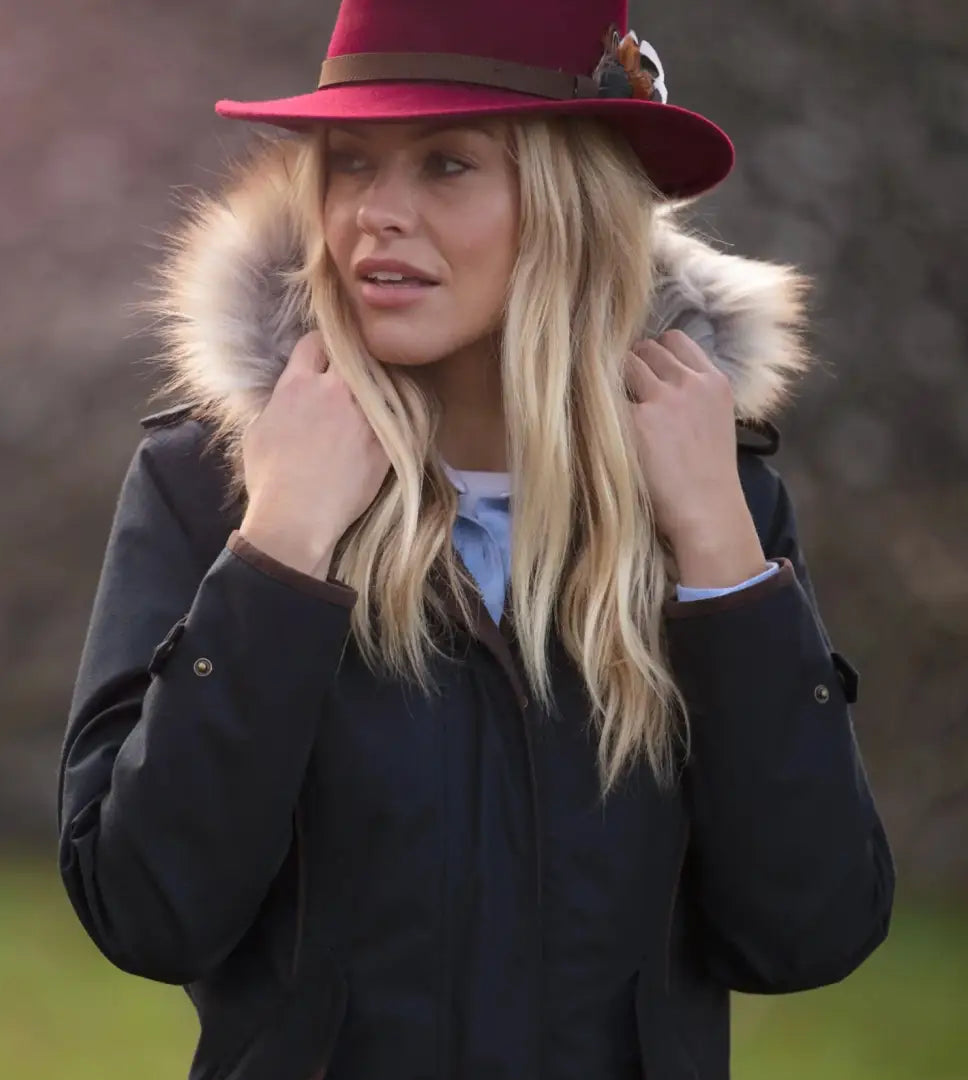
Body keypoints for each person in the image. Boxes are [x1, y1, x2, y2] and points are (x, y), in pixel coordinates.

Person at [57, 1, 895, 1077]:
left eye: (447, 164)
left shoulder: (714, 501)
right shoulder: (210, 485)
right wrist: (277, 555)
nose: (375, 216)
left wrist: (727, 567)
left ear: (570, 204)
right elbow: (147, 911)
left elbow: (807, 929)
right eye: (351, 162)